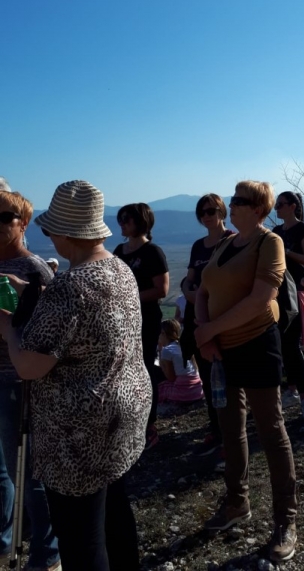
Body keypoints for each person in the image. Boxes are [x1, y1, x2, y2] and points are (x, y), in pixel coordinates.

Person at [0, 180, 152, 571]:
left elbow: (29, 365)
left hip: (77, 434)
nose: (49, 236)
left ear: (66, 233)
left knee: (82, 540)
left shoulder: (71, 286)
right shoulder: (118, 268)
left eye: (51, 230)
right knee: (114, 514)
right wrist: (35, 292)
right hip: (122, 416)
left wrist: (7, 328)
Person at [194, 181, 298, 564]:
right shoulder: (226, 244)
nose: (231, 204)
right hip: (222, 352)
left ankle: (286, 520)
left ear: (258, 209)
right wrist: (204, 333)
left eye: (239, 201)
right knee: (230, 429)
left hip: (256, 346)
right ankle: (237, 503)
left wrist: (209, 331)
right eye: (232, 199)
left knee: (271, 431)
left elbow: (260, 300)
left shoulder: (270, 243)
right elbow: (203, 291)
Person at [0, 189, 60, 571]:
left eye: (4, 217)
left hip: (16, 382)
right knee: (3, 472)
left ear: (23, 223)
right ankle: (6, 543)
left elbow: (52, 331)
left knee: (27, 472)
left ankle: (47, 554)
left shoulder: (34, 268)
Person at [180, 194, 234, 457]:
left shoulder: (232, 240)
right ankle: (216, 427)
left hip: (222, 315)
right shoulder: (198, 246)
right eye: (202, 212)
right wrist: (189, 292)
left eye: (211, 211)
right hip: (197, 315)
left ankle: (232, 435)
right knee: (208, 373)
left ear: (222, 211)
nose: (206, 216)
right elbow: (189, 277)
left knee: (228, 376)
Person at [114, 203, 169, 449]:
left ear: (141, 222)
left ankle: (149, 425)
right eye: (121, 218)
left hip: (146, 319)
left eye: (127, 219)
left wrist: (129, 297)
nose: (122, 223)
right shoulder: (119, 250)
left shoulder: (153, 252)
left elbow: (161, 289)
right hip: (121, 319)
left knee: (145, 368)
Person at [273, 191, 304, 418]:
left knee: (293, 344)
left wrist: (286, 251)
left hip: (296, 291)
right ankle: (292, 391)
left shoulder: (303, 229)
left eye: (280, 205)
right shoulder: (276, 231)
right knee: (284, 345)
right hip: (278, 292)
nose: (276, 209)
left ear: (292, 206)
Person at [158, 319, 204, 404]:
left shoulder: (167, 350)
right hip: (197, 390)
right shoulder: (183, 345)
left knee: (158, 388)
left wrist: (160, 350)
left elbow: (171, 378)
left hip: (185, 392)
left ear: (163, 333)